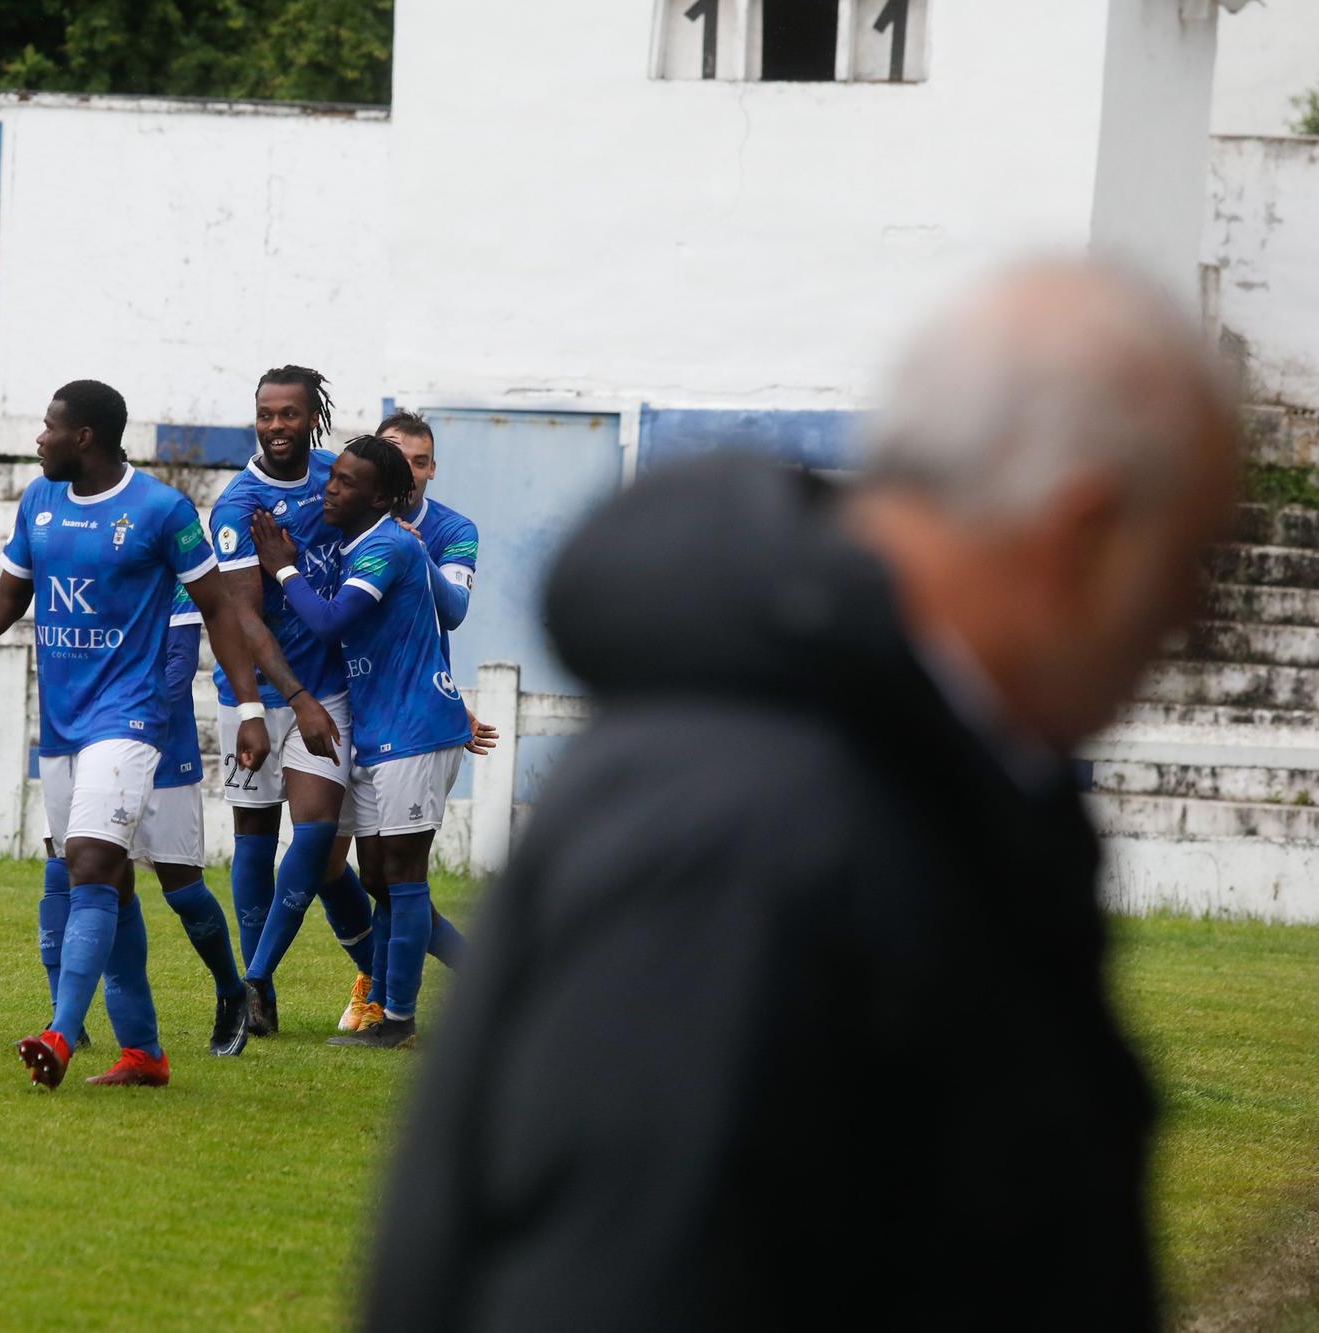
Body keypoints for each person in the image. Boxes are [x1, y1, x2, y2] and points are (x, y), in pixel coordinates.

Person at [365, 262, 1243, 1328]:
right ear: (1080, 533)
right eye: (1188, 562)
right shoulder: (746, 833)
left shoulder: (924, 778)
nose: (1189, 624)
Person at [0, 380, 274, 1089]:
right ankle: (144, 1053)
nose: (37, 438)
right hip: (63, 727)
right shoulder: (39, 503)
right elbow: (9, 598)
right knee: (110, 887)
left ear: (84, 438)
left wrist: (250, 706)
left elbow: (219, 609)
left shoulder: (161, 510)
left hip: (131, 719)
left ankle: (63, 1032)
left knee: (100, 868)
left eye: (48, 427)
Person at [252, 434, 474, 1051]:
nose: (331, 486)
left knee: (402, 874)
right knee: (377, 877)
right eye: (334, 477)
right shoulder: (377, 542)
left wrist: (284, 568)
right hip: (386, 731)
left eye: (347, 481)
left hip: (416, 730)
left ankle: (397, 1021)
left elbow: (327, 622)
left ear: (380, 496)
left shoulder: (386, 547)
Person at [207, 366, 380, 1037]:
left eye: (289, 414)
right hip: (254, 693)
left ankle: (255, 975)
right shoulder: (238, 504)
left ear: (314, 417)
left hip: (329, 687)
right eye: (265, 414)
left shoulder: (340, 481)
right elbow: (245, 620)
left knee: (312, 833)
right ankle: (262, 991)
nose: (276, 426)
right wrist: (283, 701)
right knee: (252, 832)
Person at [325, 410, 492, 1032]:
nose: (410, 472)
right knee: (359, 870)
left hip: (413, 717)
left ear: (430, 469)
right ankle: (390, 977)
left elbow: (450, 613)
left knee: (398, 873)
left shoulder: (448, 530)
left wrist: (414, 552)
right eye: (398, 457)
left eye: (420, 462)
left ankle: (390, 1003)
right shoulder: (347, 510)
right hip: (358, 709)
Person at [128, 583, 251, 1056]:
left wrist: (125, 727)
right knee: (74, 874)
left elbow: (178, 670)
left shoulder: (176, 579)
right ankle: (65, 1018)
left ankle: (231, 990)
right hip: (86, 742)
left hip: (164, 753)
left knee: (182, 889)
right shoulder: (88, 555)